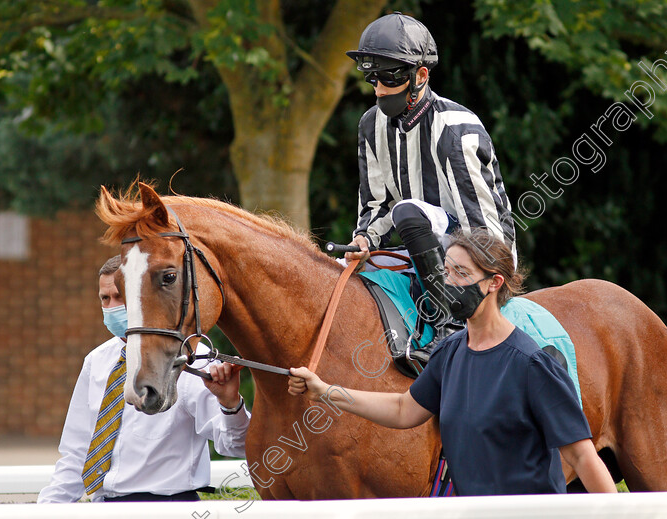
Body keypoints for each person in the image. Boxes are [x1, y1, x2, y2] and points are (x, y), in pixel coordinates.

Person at [289, 230, 617, 496]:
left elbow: (581, 455)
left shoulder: (532, 364)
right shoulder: (448, 352)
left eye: (462, 273)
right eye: (446, 272)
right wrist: (326, 392)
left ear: (494, 282)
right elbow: (405, 409)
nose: (449, 283)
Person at [343, 12, 517, 351]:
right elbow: (377, 205)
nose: (378, 87)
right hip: (420, 249)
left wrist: (471, 280)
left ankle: (447, 325)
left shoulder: (456, 129)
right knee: (336, 269)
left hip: (483, 256)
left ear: (421, 75)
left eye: (388, 76)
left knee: (408, 211)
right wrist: (363, 238)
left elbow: (485, 231)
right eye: (371, 77)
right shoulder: (369, 125)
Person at [38, 255, 250, 503]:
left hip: (165, 507)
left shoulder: (191, 355)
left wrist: (230, 404)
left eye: (120, 296)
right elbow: (76, 453)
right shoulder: (97, 360)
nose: (112, 307)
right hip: (101, 506)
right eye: (105, 299)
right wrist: (49, 509)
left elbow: (235, 445)